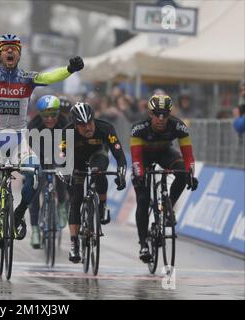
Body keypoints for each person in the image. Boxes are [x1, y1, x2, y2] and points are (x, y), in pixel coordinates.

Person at [0, 33, 84, 257]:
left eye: (14, 49)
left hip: (20, 139)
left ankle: (19, 214)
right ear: (0, 54)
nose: (10, 52)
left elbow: (50, 77)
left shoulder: (27, 79)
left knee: (35, 174)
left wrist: (69, 69)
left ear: (19, 54)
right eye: (5, 49)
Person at [130, 94, 199, 263]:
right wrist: (139, 175)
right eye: (157, 114)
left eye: (165, 114)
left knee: (183, 173)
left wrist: (190, 174)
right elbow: (136, 158)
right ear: (150, 114)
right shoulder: (139, 128)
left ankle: (167, 206)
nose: (161, 118)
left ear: (169, 114)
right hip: (144, 157)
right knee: (143, 199)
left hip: (165, 153)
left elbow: (188, 156)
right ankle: (143, 244)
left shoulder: (179, 127)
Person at [59, 102, 127, 263]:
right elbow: (61, 157)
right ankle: (74, 243)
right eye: (82, 125)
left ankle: (102, 205)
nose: (88, 128)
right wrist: (64, 172)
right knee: (75, 200)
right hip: (77, 160)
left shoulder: (106, 128)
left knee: (99, 172)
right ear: (75, 126)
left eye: (90, 122)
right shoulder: (67, 132)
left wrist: (122, 174)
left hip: (98, 155)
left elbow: (119, 154)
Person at [27, 95, 69, 249]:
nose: (50, 119)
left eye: (54, 115)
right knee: (33, 188)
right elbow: (30, 150)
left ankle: (62, 205)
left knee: (63, 173)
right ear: (40, 114)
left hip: (59, 152)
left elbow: (70, 146)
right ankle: (35, 230)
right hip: (39, 154)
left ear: (59, 113)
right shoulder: (34, 125)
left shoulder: (66, 123)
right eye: (46, 115)